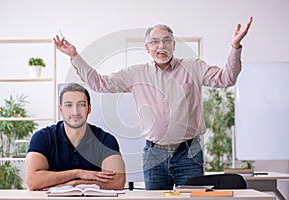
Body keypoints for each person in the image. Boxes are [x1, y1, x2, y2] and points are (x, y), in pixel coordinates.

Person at [53, 17, 253, 190]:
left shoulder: (193, 67)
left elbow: (226, 78)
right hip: (154, 154)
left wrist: (235, 47)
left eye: (167, 41)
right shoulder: (136, 73)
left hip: (189, 153)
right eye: (155, 42)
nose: (161, 46)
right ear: (147, 49)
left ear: (174, 45)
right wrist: (74, 56)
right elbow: (100, 83)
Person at [25, 83, 126, 191]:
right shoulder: (42, 138)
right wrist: (78, 173)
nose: (75, 111)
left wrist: (76, 183)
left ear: (89, 108)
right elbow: (32, 181)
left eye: (81, 105)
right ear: (60, 109)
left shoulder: (105, 140)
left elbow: (117, 181)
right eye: (68, 105)